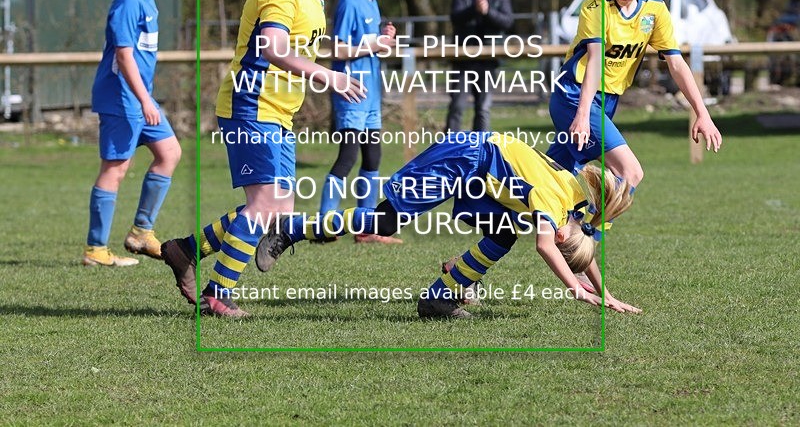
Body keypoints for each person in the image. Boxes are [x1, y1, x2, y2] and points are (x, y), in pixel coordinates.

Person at [159, 0, 364, 318]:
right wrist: (330, 77)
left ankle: (185, 250)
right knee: (265, 206)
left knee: (277, 211)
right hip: (250, 107)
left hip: (278, 111)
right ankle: (217, 294)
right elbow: (273, 48)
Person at [256, 132, 641, 319]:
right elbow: (546, 247)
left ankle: (438, 299)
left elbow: (580, 246)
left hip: (482, 170)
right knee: (384, 222)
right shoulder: (552, 206)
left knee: (505, 232)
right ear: (561, 232)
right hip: (463, 157)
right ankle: (290, 230)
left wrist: (604, 291)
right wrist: (576, 289)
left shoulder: (579, 206)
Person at [546, 0, 722, 187]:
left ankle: (501, 200)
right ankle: (587, 228)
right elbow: (595, 59)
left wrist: (702, 112)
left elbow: (676, 63)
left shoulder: (655, 10)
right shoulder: (596, 6)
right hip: (575, 95)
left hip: (607, 99)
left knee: (555, 177)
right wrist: (583, 114)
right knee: (630, 173)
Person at [84, 0, 181, 267]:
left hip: (139, 99)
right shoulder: (127, 0)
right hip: (123, 99)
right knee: (116, 168)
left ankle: (141, 231)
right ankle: (95, 250)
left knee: (169, 153)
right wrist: (145, 101)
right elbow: (124, 57)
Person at [317, 0, 402, 245]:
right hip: (351, 93)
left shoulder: (370, 0)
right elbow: (337, 49)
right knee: (347, 158)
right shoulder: (348, 1)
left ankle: (367, 228)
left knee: (373, 157)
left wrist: (383, 38)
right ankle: (324, 224)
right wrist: (374, 44)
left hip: (372, 96)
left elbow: (367, 44)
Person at [445, 0, 514, 132]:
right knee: (457, 106)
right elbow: (455, 18)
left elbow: (507, 22)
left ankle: (480, 149)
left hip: (488, 61)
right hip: (463, 60)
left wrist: (487, 12)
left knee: (483, 108)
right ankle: (448, 149)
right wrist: (473, 10)